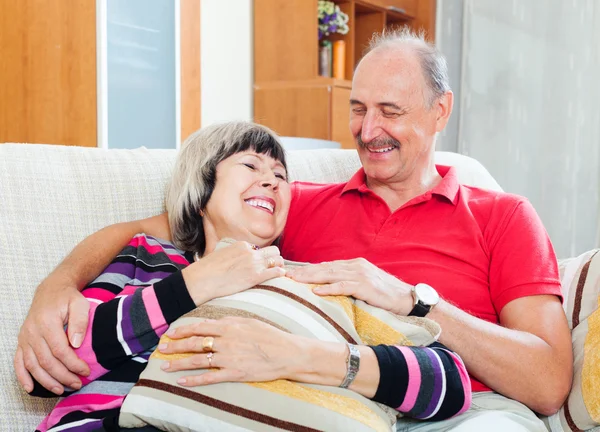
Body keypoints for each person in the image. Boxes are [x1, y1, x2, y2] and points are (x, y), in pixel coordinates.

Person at [16, 28, 572, 431]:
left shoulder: (502, 215)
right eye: (357, 109)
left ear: (439, 111)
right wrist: (56, 287)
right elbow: (148, 231)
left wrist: (414, 303)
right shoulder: (283, 210)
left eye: (390, 110)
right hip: (324, 407)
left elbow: (547, 383)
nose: (368, 129)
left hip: (458, 407)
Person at [28, 121, 470, 432]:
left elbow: (448, 383)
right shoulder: (148, 259)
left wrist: (304, 356)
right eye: (251, 167)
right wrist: (197, 284)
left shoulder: (307, 283)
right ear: (202, 190)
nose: (273, 182)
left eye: (280, 175)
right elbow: (59, 366)